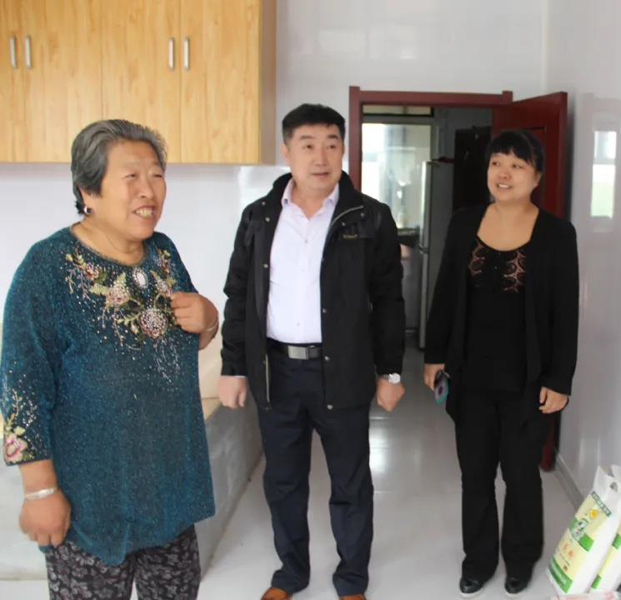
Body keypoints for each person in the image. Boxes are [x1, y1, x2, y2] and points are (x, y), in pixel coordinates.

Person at [1, 119, 217, 599]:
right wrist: (39, 491)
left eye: (156, 175)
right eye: (131, 176)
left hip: (169, 493)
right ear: (88, 191)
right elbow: (22, 387)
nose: (149, 190)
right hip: (91, 507)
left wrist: (209, 319)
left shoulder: (163, 254)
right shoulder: (48, 269)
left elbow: (182, 338)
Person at [217, 103, 405, 600]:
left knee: (350, 482)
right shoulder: (259, 217)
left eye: (331, 144)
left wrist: (390, 371)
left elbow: (388, 300)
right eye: (307, 145)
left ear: (343, 149)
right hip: (276, 370)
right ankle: (291, 573)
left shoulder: (370, 218)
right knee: (283, 482)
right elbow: (239, 295)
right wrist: (233, 366)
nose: (320, 157)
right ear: (287, 151)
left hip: (342, 370)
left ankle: (352, 579)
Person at [424, 130, 579, 598]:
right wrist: (434, 355)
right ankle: (478, 560)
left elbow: (565, 312)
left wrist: (560, 378)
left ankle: (520, 558)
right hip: (469, 376)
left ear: (537, 176)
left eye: (517, 164)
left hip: (526, 380)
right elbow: (445, 292)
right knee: (475, 475)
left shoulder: (557, 234)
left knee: (520, 475)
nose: (504, 173)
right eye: (496, 163)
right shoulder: (464, 222)